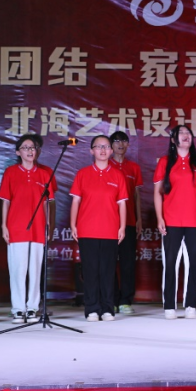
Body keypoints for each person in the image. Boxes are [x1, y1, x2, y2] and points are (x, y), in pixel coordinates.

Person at [154, 125, 196, 320]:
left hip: (195, 220)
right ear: (173, 140)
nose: (186, 136)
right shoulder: (165, 162)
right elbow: (157, 193)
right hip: (171, 220)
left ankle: (190, 305)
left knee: (194, 263)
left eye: (188, 133)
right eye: (181, 133)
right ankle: (169, 306)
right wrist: (160, 218)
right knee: (170, 263)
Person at [69, 135, 128, 322]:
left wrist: (122, 227)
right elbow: (76, 201)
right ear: (91, 151)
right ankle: (92, 308)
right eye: (99, 146)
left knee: (108, 271)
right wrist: (73, 224)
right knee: (90, 270)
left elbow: (122, 204)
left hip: (110, 230)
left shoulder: (117, 175)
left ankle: (108, 308)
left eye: (106, 146)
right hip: (87, 229)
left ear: (111, 151)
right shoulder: (83, 174)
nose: (103, 150)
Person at [0, 134, 54, 325]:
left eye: (33, 148)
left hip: (38, 228)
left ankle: (32, 308)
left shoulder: (44, 174)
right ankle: (18, 309)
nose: (30, 151)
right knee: (18, 270)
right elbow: (5, 201)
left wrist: (48, 225)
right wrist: (4, 225)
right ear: (18, 152)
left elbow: (47, 203)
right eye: (25, 148)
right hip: (16, 228)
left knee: (35, 270)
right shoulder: (11, 173)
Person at [110, 131, 142, 314]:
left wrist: (139, 219)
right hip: (109, 222)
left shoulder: (133, 167)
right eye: (116, 141)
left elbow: (136, 196)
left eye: (123, 141)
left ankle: (125, 301)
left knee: (128, 263)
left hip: (129, 221)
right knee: (109, 262)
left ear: (128, 145)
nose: (120, 144)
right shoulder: (106, 166)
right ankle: (112, 299)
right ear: (111, 146)